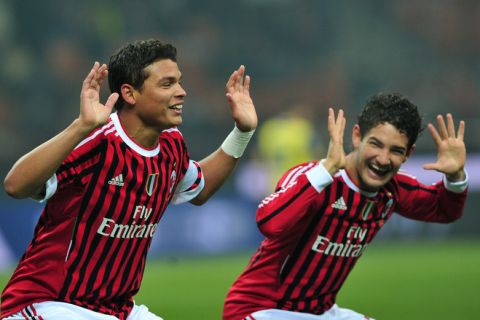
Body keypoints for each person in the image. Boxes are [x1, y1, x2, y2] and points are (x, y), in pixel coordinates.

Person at [1, 39, 257, 320]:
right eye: (167, 84)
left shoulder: (171, 146)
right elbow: (15, 185)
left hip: (118, 308)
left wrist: (242, 133)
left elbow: (201, 188)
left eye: (179, 83)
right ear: (130, 93)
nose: (182, 92)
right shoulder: (97, 143)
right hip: (51, 302)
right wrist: (81, 126)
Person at [223, 93, 468, 320]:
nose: (383, 159)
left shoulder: (392, 189)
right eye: (375, 144)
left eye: (395, 150)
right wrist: (326, 170)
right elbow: (268, 222)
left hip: (320, 312)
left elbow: (444, 209)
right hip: (261, 310)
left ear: (408, 154)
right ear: (357, 136)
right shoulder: (315, 178)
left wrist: (456, 176)